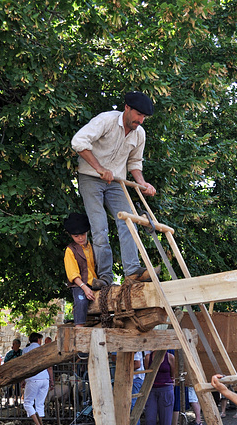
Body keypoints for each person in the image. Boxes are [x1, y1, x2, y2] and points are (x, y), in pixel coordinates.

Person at [71, 91, 159, 287]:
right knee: (99, 227)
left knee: (129, 221)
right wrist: (99, 168)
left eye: (144, 117)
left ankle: (133, 271)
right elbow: (78, 142)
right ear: (127, 108)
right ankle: (105, 278)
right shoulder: (106, 120)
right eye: (138, 115)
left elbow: (135, 162)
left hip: (117, 182)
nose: (141, 120)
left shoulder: (140, 134)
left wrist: (142, 182)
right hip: (90, 178)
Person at [64, 212, 99, 326]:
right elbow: (72, 274)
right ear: (71, 236)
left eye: (82, 234)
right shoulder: (70, 250)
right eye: (76, 236)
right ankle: (79, 328)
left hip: (95, 283)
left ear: (87, 232)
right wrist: (84, 288)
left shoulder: (93, 247)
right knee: (81, 301)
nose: (80, 238)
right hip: (79, 285)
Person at [142, 351, 175, 425]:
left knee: (166, 418)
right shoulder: (148, 357)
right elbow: (147, 374)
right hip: (152, 390)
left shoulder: (170, 357)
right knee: (150, 418)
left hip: (166, 388)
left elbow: (172, 374)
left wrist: (171, 385)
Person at [22, 333, 51, 425]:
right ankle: (40, 424)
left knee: (27, 402)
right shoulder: (44, 350)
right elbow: (49, 366)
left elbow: (24, 367)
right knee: (40, 403)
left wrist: (22, 379)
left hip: (33, 378)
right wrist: (51, 380)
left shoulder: (25, 350)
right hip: (45, 378)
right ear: (38, 340)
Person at [131, 351, 145, 425]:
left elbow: (137, 365)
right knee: (134, 403)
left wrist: (124, 368)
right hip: (137, 378)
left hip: (135, 378)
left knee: (133, 403)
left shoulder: (135, 351)